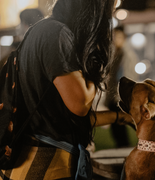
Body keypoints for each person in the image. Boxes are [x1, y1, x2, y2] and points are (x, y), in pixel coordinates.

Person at [1, 0, 132, 179]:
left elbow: (58, 117)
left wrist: (120, 117)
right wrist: (95, 52)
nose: (112, 12)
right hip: (45, 168)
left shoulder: (48, 31)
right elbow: (79, 105)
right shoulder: (56, 34)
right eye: (112, 5)